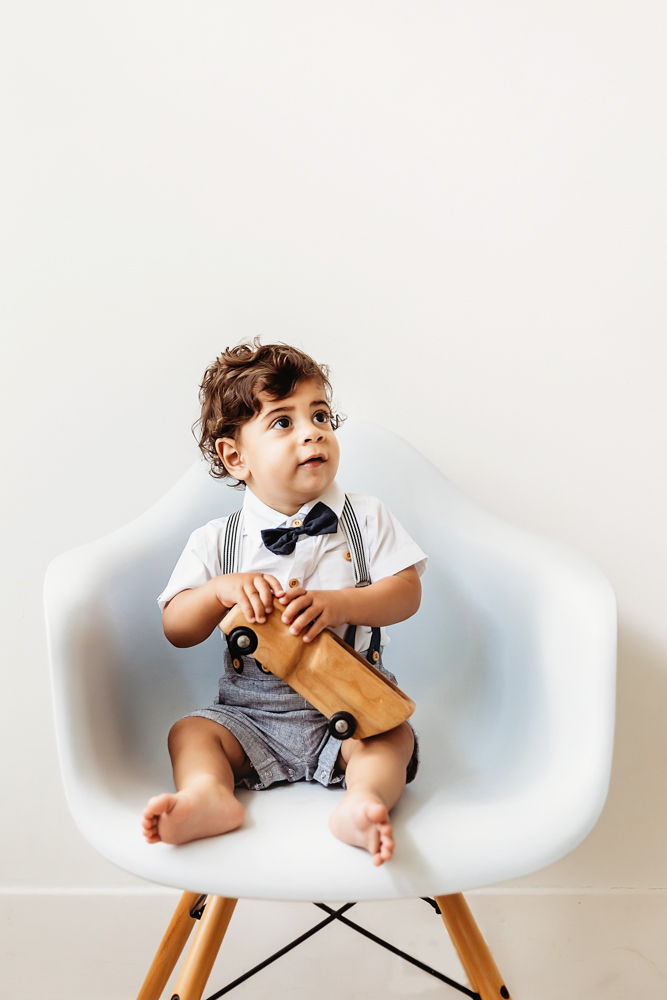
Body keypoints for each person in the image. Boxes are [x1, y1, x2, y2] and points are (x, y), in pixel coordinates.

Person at [141, 342, 427, 865]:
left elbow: (407, 593)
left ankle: (363, 803)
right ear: (236, 457)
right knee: (191, 732)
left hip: (348, 706)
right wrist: (217, 591)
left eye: (319, 415)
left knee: (393, 738)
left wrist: (341, 604)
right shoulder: (216, 540)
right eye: (282, 422)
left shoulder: (367, 517)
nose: (312, 431)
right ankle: (208, 796)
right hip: (250, 715)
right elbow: (176, 627)